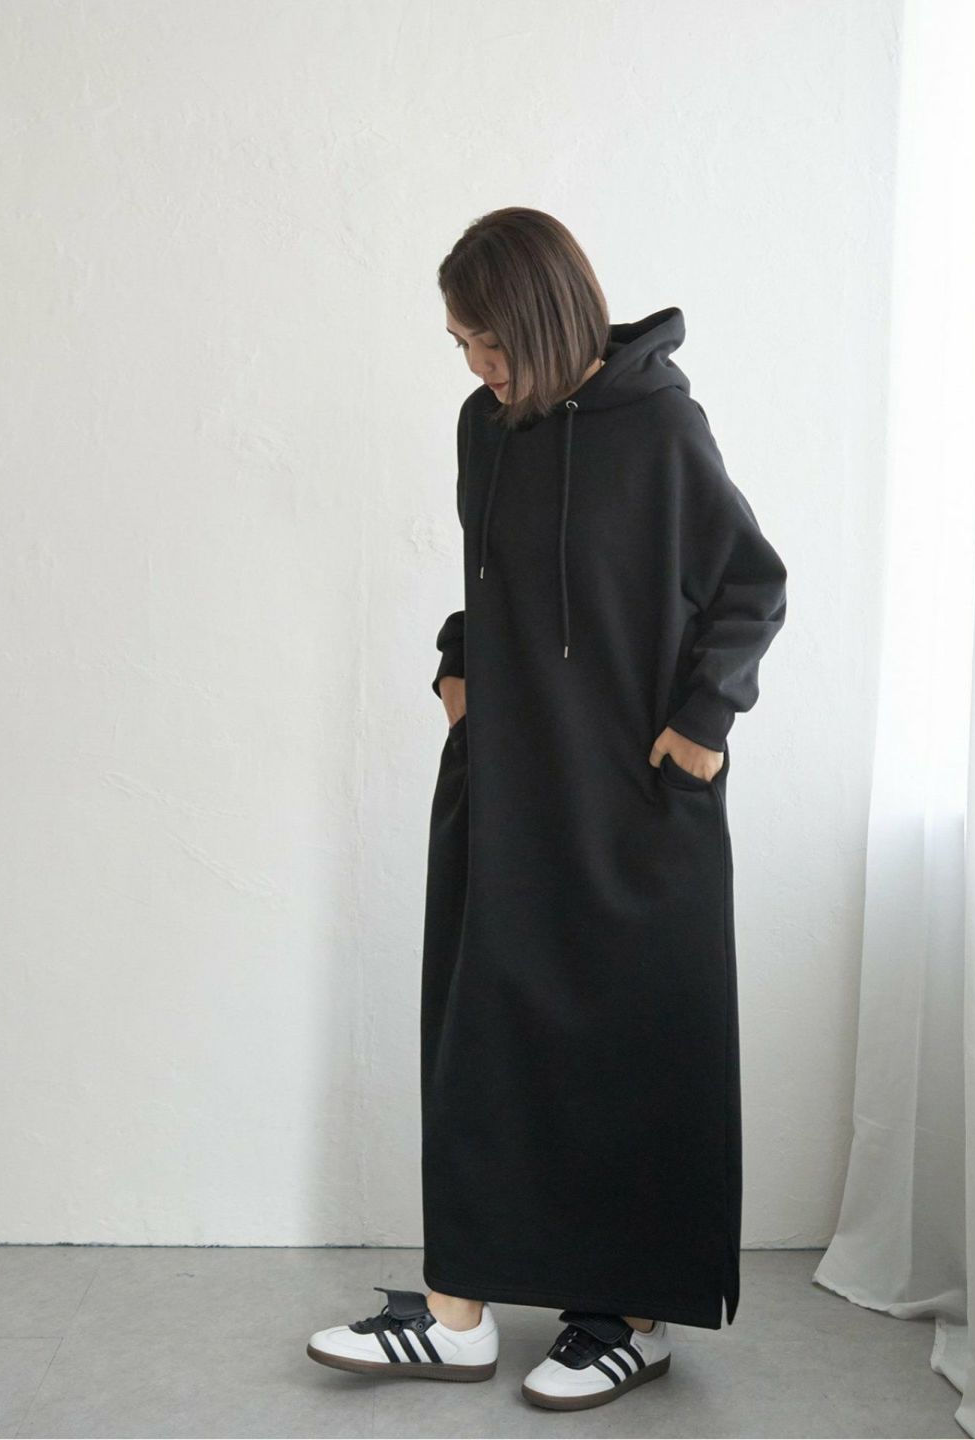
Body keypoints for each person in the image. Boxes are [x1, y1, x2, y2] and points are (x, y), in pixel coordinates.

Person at [307, 207, 788, 1412]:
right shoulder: (485, 428)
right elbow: (493, 579)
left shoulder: (660, 426)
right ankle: (458, 1313)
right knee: (480, 1036)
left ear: (542, 319)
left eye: (490, 342)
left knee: (632, 1048)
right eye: (461, 345)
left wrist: (703, 726)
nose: (477, 367)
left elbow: (751, 584)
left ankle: (627, 1317)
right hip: (508, 781)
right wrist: (457, 663)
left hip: (634, 797)